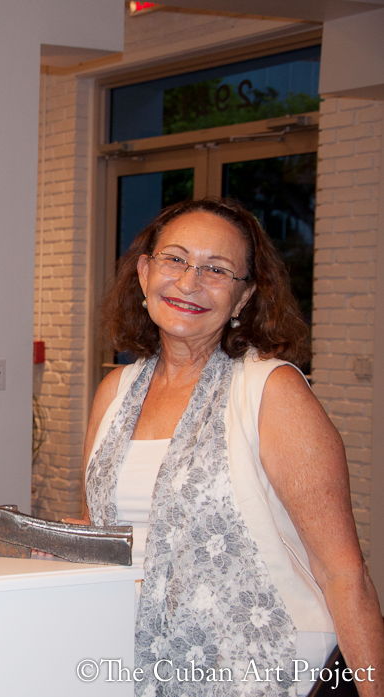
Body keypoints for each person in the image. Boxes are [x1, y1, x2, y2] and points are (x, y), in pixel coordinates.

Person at [79, 198, 383, 696]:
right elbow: (101, 532)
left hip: (261, 668)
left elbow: (343, 571)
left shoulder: (272, 391)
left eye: (217, 269)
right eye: (175, 259)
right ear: (144, 273)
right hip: (137, 664)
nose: (190, 282)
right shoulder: (115, 393)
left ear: (243, 298)